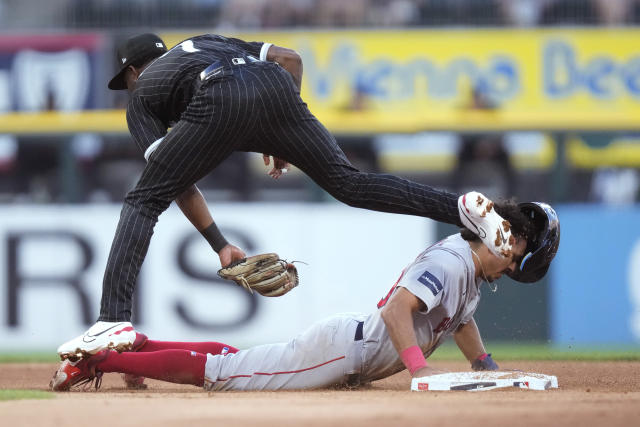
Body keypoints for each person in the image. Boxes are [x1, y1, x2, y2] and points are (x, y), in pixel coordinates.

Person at [56, 33, 515, 360]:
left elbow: (171, 182)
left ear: (134, 71)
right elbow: (290, 59)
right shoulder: (207, 40)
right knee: (349, 183)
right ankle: (462, 208)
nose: (128, 88)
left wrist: (218, 243)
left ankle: (111, 318)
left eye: (127, 79)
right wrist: (279, 135)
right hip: (272, 84)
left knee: (142, 200)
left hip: (218, 96)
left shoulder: (142, 96)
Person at [50, 201, 560, 392]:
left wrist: (485, 365)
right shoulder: (453, 262)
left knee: (239, 360)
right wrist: (419, 370)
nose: (514, 263)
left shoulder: (467, 269)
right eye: (517, 254)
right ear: (506, 238)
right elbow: (396, 309)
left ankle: (139, 346)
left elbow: (461, 322)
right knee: (226, 376)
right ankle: (104, 362)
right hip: (346, 351)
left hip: (348, 350)